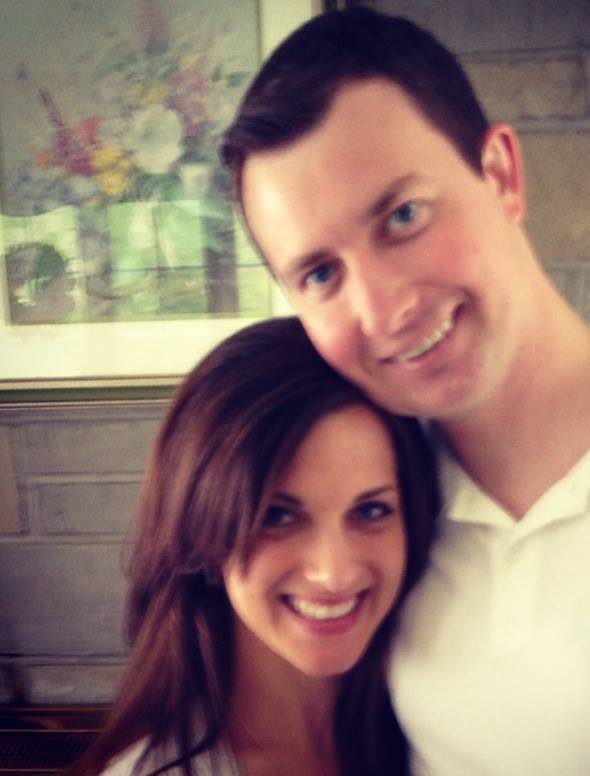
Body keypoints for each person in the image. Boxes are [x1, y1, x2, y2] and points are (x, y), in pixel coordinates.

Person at [220, 7, 590, 775]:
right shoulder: (368, 513)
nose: (383, 310)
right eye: (320, 273)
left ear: (502, 176)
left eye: (404, 216)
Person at [70, 316, 439, 776]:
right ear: (200, 525)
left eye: (371, 511)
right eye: (277, 516)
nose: (334, 573)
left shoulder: (448, 734)